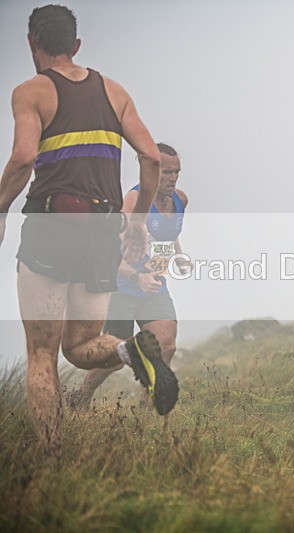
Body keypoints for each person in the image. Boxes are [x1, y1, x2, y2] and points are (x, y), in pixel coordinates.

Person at [0, 5, 178, 455]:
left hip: (52, 224)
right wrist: (136, 224)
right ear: (76, 45)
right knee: (81, 346)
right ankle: (130, 350)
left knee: (44, 353)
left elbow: (23, 158)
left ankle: (53, 456)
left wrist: (1, 207)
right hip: (103, 228)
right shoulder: (114, 91)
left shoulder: (31, 91)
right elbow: (152, 157)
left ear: (31, 42)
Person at [67, 142, 189, 409]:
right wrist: (135, 276)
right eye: (166, 172)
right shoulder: (132, 202)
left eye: (176, 172)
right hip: (121, 288)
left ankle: (147, 409)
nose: (172, 178)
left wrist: (179, 256)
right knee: (116, 355)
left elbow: (171, 231)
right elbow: (109, 249)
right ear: (149, 171)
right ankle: (80, 397)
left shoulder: (180, 199)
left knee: (166, 345)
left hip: (155, 287)